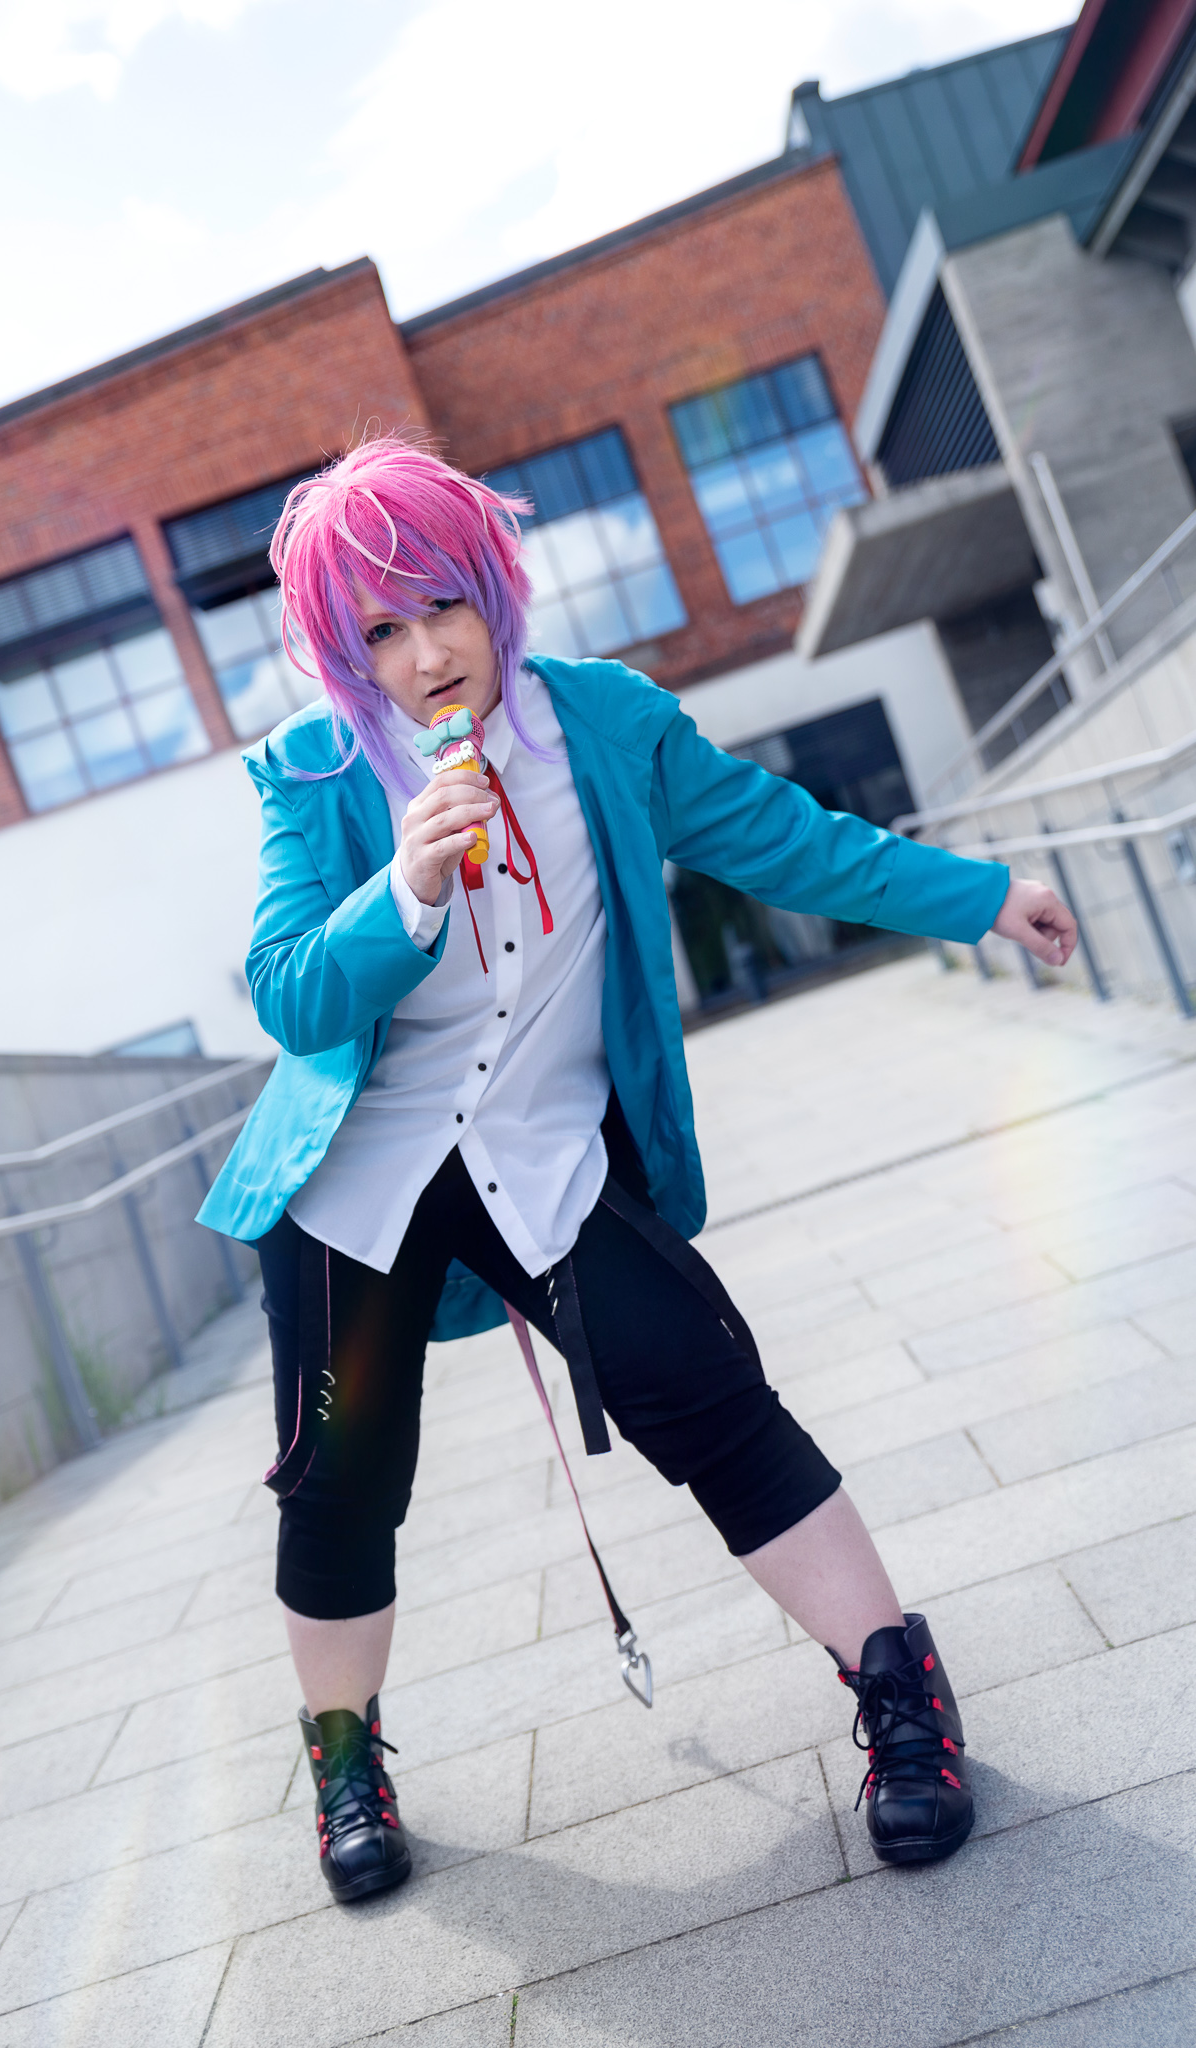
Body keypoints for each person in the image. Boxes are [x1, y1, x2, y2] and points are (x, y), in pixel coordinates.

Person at [198, 436, 1077, 1904]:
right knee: (340, 1479)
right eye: (383, 632)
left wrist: (983, 895)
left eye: (444, 607)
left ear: (494, 589)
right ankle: (345, 1764)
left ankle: (902, 1703)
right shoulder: (316, 770)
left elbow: (788, 842)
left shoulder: (606, 724)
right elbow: (289, 991)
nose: (427, 656)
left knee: (710, 1387)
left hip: (537, 1151)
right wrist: (406, 883)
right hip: (356, 1178)